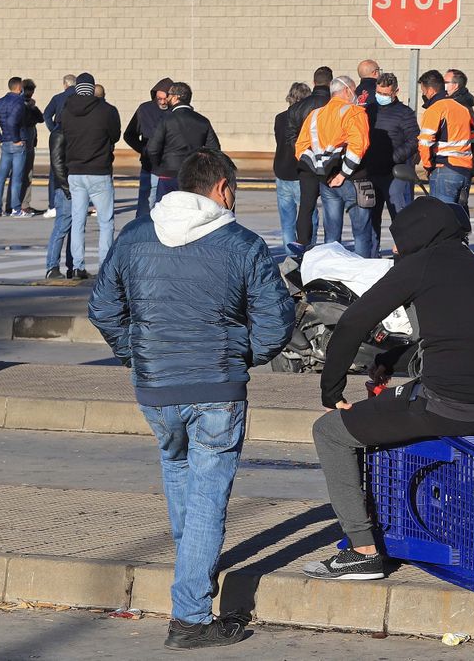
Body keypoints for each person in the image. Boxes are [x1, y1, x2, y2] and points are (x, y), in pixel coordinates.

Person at [88, 149, 294, 651]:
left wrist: (135, 356)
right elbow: (276, 321)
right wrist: (243, 354)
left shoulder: (136, 234)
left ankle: (192, 570)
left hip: (156, 387)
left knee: (178, 470)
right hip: (216, 388)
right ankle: (190, 618)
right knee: (207, 495)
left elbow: (102, 308)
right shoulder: (241, 243)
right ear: (223, 188)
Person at [305, 196, 474, 581]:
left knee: (330, 432)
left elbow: (353, 323)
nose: (395, 249)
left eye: (398, 240)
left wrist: (331, 392)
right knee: (395, 401)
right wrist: (391, 361)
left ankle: (362, 550)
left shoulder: (420, 265)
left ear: (418, 236)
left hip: (450, 405)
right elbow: (457, 337)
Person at [296, 76, 375, 258]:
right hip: (354, 179)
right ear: (347, 90)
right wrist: (343, 173)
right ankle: (362, 278)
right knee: (361, 235)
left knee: (331, 237)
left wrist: (319, 170)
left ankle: (331, 275)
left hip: (326, 181)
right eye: (354, 91)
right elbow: (359, 145)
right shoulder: (354, 112)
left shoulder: (315, 115)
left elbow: (301, 148)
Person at [58, 74, 122, 278]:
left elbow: (62, 133)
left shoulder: (66, 110)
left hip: (75, 172)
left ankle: (77, 266)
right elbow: (115, 135)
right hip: (99, 170)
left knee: (78, 220)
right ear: (93, 88)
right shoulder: (106, 110)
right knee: (106, 222)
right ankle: (104, 266)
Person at [364, 72, 419, 231]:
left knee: (400, 217)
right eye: (379, 92)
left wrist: (394, 157)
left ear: (395, 92)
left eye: (385, 94)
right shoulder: (369, 110)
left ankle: (403, 252)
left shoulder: (404, 113)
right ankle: (372, 254)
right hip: (371, 171)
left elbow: (414, 140)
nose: (381, 96)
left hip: (394, 173)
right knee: (371, 220)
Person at [147, 82, 221, 201]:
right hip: (193, 174)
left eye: (169, 95)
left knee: (166, 212)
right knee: (190, 211)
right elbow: (214, 149)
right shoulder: (202, 121)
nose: (167, 98)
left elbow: (152, 149)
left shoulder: (166, 119)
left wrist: (159, 165)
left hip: (168, 174)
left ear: (176, 97)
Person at [416, 70, 474, 207]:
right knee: (458, 218)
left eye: (424, 91)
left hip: (445, 169)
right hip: (464, 171)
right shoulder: (462, 109)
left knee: (442, 218)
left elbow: (425, 142)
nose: (424, 95)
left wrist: (428, 165)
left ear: (430, 90)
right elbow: (473, 140)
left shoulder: (435, 109)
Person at [288, 67, 334, 246]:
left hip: (307, 164)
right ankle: (331, 245)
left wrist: (303, 155)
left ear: (314, 83)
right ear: (331, 83)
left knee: (306, 207)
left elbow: (291, 137)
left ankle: (302, 244)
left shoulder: (297, 108)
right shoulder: (333, 105)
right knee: (332, 207)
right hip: (331, 162)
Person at [122, 78, 175, 220]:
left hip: (170, 167)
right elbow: (129, 135)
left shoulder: (176, 111)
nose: (163, 102)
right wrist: (143, 150)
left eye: (165, 99)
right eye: (159, 99)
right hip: (149, 166)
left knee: (168, 209)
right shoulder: (145, 109)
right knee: (146, 207)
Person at [273, 82, 314, 249]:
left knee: (287, 222)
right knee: (308, 215)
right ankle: (307, 250)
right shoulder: (307, 118)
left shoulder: (280, 117)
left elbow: (279, 141)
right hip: (300, 172)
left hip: (282, 170)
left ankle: (291, 257)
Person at [0, 76, 29, 218]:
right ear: (19, 88)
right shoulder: (19, 102)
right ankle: (15, 209)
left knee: (1, 178)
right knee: (17, 179)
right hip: (16, 144)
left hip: (5, 143)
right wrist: (16, 139)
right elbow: (12, 122)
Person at [42, 73, 77, 213]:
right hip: (75, 136)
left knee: (55, 169)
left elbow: (46, 114)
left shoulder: (57, 98)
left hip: (59, 134)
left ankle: (53, 204)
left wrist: (53, 129)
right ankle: (74, 200)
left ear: (65, 84)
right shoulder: (79, 97)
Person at [444, 68, 474, 177]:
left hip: (454, 165)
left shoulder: (458, 106)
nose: (443, 85)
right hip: (461, 165)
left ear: (455, 85)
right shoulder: (462, 102)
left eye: (445, 82)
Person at [17, 79, 45, 215]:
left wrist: (33, 107)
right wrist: (30, 107)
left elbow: (41, 118)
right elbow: (29, 120)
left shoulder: (27, 104)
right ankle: (22, 204)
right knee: (24, 174)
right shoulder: (21, 105)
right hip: (24, 142)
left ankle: (19, 204)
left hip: (28, 142)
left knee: (21, 174)